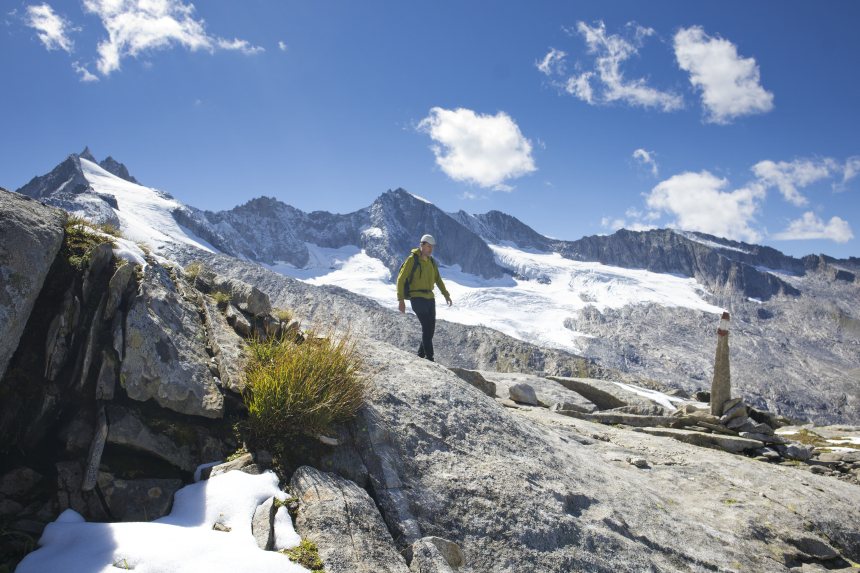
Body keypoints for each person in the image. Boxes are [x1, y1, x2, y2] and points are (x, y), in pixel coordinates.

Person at [396, 234, 452, 362]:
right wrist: (401, 300)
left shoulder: (432, 261)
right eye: (428, 246)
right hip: (417, 298)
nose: (430, 249)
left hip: (430, 298)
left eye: (432, 247)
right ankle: (430, 358)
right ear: (422, 245)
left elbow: (438, 279)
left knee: (430, 329)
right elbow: (401, 279)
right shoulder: (412, 260)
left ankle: (420, 355)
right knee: (427, 327)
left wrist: (446, 294)